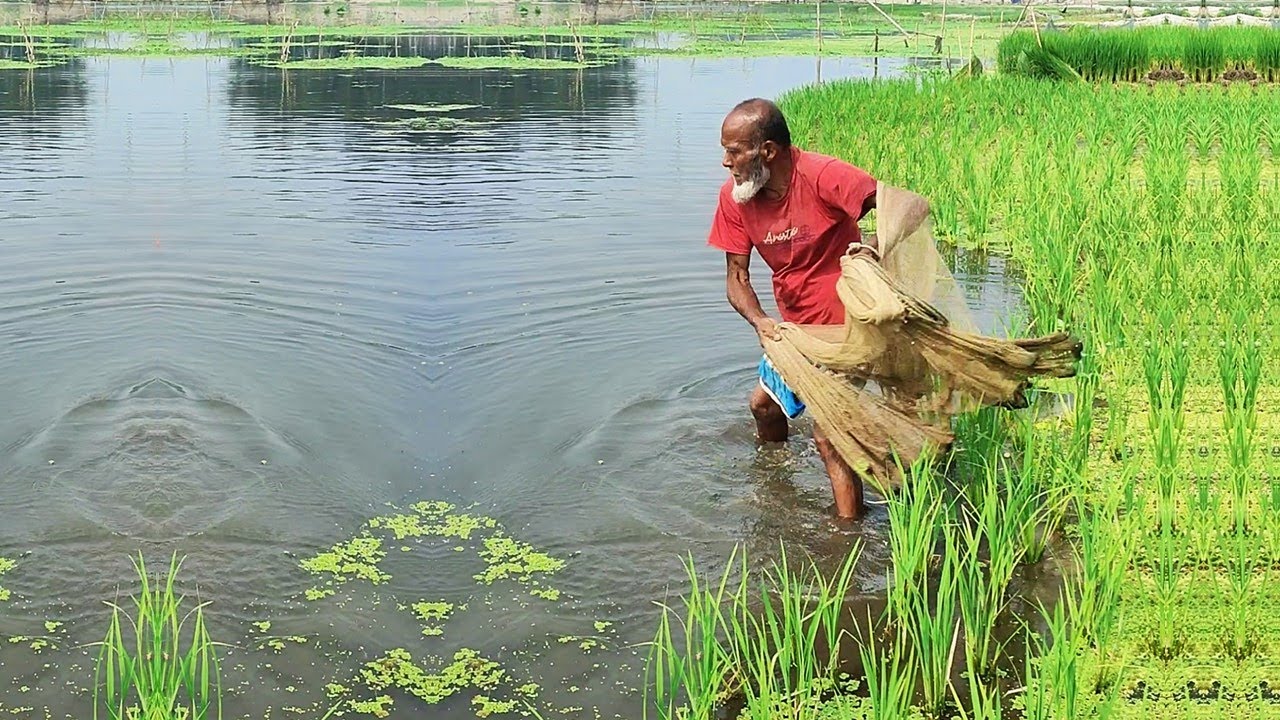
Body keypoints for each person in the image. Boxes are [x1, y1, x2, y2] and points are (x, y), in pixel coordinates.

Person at [705, 97, 878, 521]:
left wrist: (871, 249)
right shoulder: (736, 200)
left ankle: (847, 535)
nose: (726, 163)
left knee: (828, 435)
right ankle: (776, 481)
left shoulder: (822, 175)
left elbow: (899, 208)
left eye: (734, 151)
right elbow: (737, 278)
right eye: (724, 151)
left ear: (767, 151)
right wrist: (761, 322)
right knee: (763, 406)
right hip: (796, 328)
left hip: (850, 325)